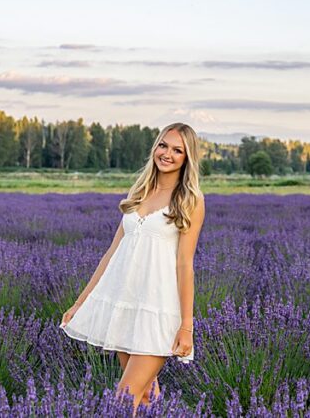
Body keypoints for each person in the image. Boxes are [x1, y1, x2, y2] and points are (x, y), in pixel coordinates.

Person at [59, 122, 205, 411]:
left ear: (188, 157)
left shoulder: (190, 200)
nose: (167, 154)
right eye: (163, 145)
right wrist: (80, 303)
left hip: (157, 311)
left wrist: (186, 327)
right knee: (146, 397)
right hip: (125, 306)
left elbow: (185, 264)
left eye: (178, 150)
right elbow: (112, 253)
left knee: (124, 399)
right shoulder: (140, 190)